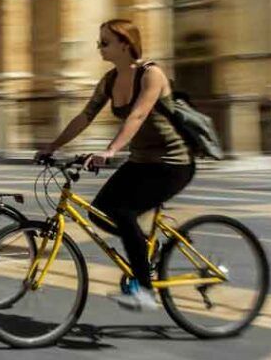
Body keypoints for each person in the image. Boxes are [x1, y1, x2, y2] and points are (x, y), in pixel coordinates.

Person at [36, 19, 195, 311]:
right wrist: (52, 146)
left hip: (172, 162)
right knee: (99, 214)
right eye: (99, 42)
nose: (99, 48)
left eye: (105, 42)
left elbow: (137, 115)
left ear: (125, 43)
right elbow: (85, 116)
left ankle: (145, 291)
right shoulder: (109, 80)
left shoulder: (151, 74)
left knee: (123, 211)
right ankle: (146, 252)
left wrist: (110, 150)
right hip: (141, 161)